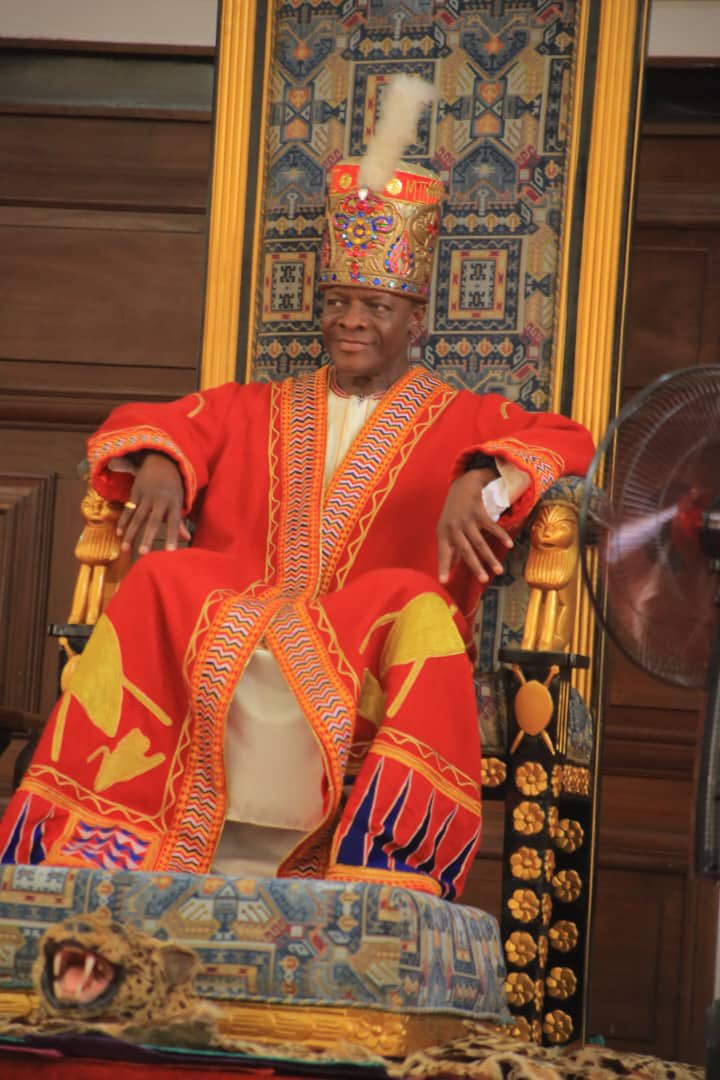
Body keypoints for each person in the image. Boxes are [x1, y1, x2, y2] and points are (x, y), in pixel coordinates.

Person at [0, 79, 593, 900]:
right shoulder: (257, 403)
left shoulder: (465, 417)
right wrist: (165, 464)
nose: (351, 320)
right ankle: (106, 844)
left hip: (363, 634)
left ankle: (379, 863)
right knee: (164, 579)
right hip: (241, 613)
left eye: (375, 305)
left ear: (414, 318)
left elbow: (564, 438)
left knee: (418, 604)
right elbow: (155, 421)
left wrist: (484, 476)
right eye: (338, 301)